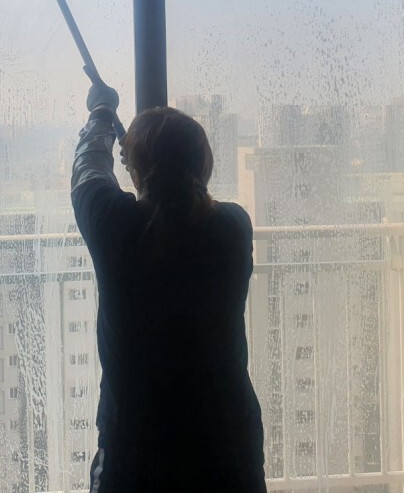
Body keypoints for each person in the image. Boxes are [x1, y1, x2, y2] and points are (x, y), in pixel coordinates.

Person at [71, 69, 266, 492]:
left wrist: (101, 112)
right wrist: (140, 159)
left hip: (137, 449)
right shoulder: (233, 227)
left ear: (140, 169)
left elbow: (88, 174)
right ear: (203, 164)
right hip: (229, 444)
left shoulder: (118, 228)